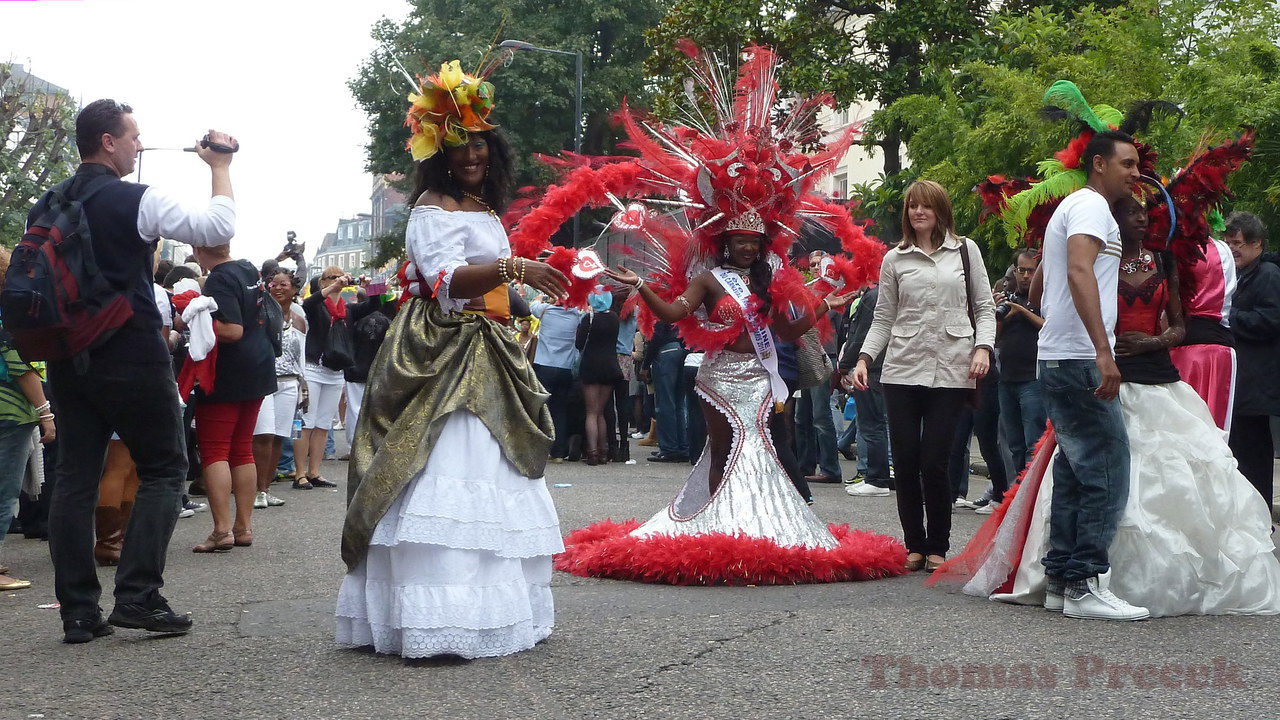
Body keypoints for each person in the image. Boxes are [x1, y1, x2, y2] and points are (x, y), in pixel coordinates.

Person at [932, 194, 1280, 618]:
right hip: (1098, 373)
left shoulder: (1163, 259)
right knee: (1089, 474)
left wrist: (1153, 342)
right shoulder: (1095, 255)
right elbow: (1043, 294)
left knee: (1135, 476)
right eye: (1131, 213)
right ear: (1113, 222)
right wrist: (1052, 255)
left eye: (1145, 214)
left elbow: (1179, 325)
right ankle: (1071, 578)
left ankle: (1095, 580)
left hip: (1154, 379)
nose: (1141, 220)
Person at [337, 60, 570, 659]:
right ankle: (435, 618)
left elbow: (486, 284)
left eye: (481, 146)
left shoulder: (485, 210)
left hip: (489, 343)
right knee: (440, 461)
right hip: (438, 347)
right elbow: (445, 282)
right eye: (462, 146)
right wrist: (516, 269)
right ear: (440, 149)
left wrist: (517, 301)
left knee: (492, 466)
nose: (474, 156)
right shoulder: (430, 208)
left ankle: (493, 611)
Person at [40, 100, 235, 642]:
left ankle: (78, 610)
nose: (139, 145)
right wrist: (219, 166)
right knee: (165, 469)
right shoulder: (132, 200)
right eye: (133, 137)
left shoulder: (47, 203)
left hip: (66, 353)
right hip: (128, 349)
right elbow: (217, 227)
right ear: (107, 141)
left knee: (75, 477)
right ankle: (139, 596)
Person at [1025, 129, 1144, 620]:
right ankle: (1085, 582)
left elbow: (1038, 285)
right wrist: (1102, 349)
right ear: (1100, 164)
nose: (1136, 173)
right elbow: (1077, 271)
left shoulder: (1074, 206)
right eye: (1128, 164)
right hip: (1077, 358)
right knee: (1107, 470)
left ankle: (1061, 580)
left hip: (1060, 355)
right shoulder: (1092, 207)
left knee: (1076, 471)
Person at [850, 179, 996, 573]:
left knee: (936, 459)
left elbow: (984, 307)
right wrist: (864, 358)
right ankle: (914, 543)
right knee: (908, 460)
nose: (918, 212)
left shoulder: (966, 251)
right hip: (902, 368)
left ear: (940, 210)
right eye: (912, 206)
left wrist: (983, 347)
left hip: (953, 367)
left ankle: (938, 545)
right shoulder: (895, 259)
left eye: (926, 206)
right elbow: (884, 317)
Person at [189, 243, 277, 552]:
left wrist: (192, 315)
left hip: (228, 371)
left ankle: (221, 530)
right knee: (241, 449)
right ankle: (243, 527)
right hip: (258, 365)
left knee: (214, 451)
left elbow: (231, 330)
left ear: (200, 248)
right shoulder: (246, 268)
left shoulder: (219, 278)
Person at [0, 247, 57, 591]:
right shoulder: (9, 315)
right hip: (10, 412)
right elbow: (21, 366)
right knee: (4, 492)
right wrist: (45, 413)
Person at [1224, 211, 1280, 514]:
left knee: (1255, 455)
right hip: (1242, 381)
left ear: (1257, 244)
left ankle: (1259, 518)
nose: (1232, 250)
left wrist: (1228, 318)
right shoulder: (1240, 275)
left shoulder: (1268, 275)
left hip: (1256, 384)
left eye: (1238, 244)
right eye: (1228, 243)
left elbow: (1270, 320)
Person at [251, 269, 307, 510]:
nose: (278, 288)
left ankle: (266, 488)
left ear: (294, 289)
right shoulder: (259, 316)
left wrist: (303, 386)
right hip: (264, 382)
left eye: (284, 284)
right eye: (273, 284)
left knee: (279, 436)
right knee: (262, 434)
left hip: (289, 383)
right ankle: (254, 489)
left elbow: (300, 358)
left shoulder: (299, 321)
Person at [993, 248, 1045, 480]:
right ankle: (1015, 494)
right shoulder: (1008, 301)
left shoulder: (1046, 299)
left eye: (1031, 271)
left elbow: (1051, 328)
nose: (1025, 276)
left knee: (1033, 443)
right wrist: (996, 312)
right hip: (1007, 379)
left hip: (1033, 380)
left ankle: (1031, 497)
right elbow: (994, 338)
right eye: (1021, 270)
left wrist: (1023, 311)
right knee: (1013, 444)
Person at [297, 268, 351, 489]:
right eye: (332, 277)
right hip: (314, 368)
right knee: (307, 423)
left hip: (335, 371)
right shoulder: (317, 305)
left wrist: (370, 287)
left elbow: (375, 305)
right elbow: (307, 304)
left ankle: (315, 471)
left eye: (341, 277)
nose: (338, 281)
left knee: (323, 425)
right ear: (323, 282)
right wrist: (331, 289)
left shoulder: (347, 309)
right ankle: (300, 473)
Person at [840, 285, 893, 497]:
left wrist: (846, 363)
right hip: (878, 365)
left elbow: (862, 334)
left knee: (872, 425)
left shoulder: (873, 296)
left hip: (872, 366)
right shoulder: (879, 293)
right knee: (874, 424)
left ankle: (877, 478)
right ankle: (875, 476)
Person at [576, 289, 623, 465]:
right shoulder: (614, 319)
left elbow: (579, 343)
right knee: (601, 412)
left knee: (591, 412)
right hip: (610, 366)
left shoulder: (588, 319)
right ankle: (604, 452)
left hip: (591, 366)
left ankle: (592, 452)